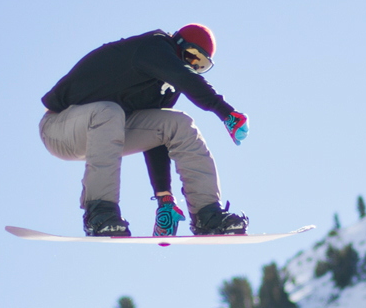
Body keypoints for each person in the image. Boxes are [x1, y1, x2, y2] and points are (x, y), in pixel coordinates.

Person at [39, 24, 250, 237]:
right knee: (109, 112)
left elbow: (156, 138)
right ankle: (99, 213)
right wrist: (226, 113)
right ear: (177, 45)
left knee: (177, 124)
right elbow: (186, 78)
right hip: (59, 126)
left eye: (201, 64)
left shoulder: (164, 86)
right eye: (191, 55)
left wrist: (164, 198)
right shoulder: (154, 47)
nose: (192, 65)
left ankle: (207, 215)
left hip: (106, 130)